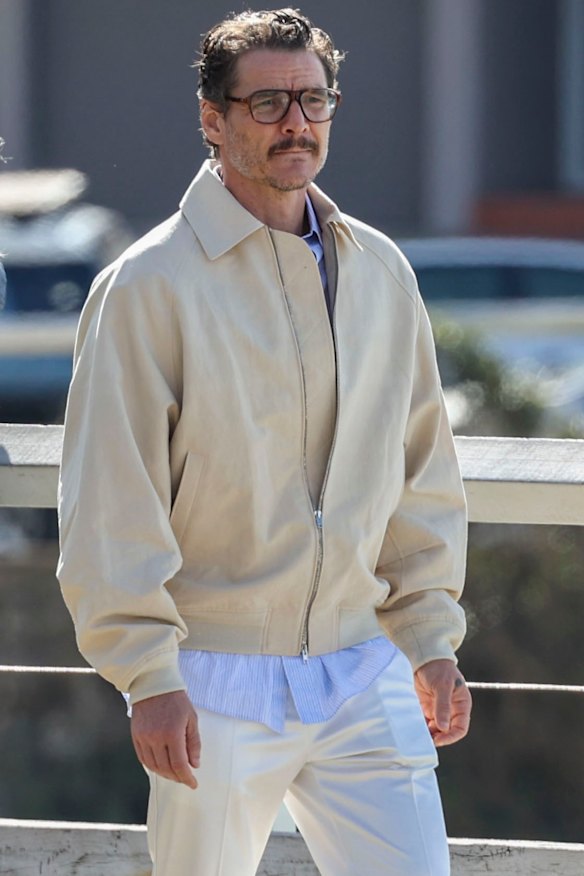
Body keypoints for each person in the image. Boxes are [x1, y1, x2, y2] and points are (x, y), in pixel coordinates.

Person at [57, 8, 472, 875]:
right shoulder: (146, 286)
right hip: (211, 677)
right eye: (270, 102)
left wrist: (430, 637)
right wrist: (148, 673)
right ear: (212, 119)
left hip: (365, 665)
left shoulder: (381, 269)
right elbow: (110, 494)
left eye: (314, 100)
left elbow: (419, 464)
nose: (297, 123)